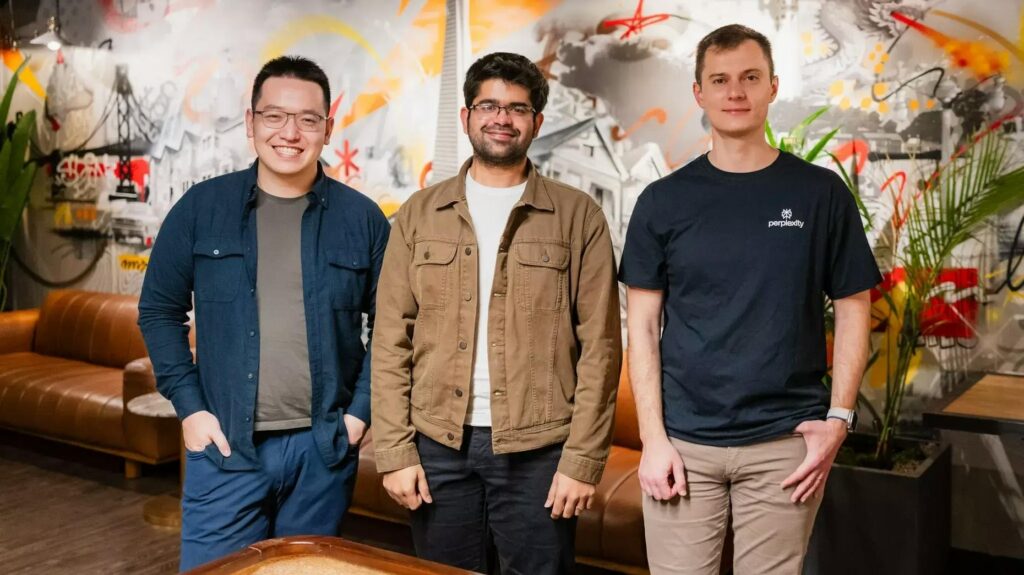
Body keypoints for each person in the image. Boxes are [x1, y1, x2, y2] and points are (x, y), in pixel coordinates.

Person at [619, 24, 880, 574]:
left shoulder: (820, 193)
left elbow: (855, 309)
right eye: (720, 79)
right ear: (700, 94)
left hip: (786, 444)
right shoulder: (662, 202)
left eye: (749, 78)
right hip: (684, 444)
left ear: (772, 87)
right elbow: (641, 329)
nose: (735, 92)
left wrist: (838, 419)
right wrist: (653, 440)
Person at [371, 52, 622, 574]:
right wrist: (394, 451)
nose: (501, 118)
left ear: (536, 122)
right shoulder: (419, 214)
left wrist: (581, 461)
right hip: (438, 446)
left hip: (540, 452)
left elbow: (601, 346)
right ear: (466, 117)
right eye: (488, 105)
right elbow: (391, 338)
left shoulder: (579, 216)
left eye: (517, 108)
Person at [138, 55, 389, 572]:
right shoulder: (200, 208)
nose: (290, 133)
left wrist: (359, 415)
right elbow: (160, 312)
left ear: (327, 127)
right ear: (250, 123)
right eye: (274, 116)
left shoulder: (362, 219)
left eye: (307, 119)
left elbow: (392, 329)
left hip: (323, 450)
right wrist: (191, 409)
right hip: (226, 447)